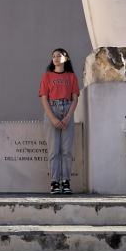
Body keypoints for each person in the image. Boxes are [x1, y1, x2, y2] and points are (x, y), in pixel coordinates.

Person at [39, 48, 79, 195]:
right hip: (52, 109)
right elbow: (43, 98)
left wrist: (68, 117)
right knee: (54, 150)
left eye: (59, 55)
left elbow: (75, 98)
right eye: (54, 56)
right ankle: (54, 183)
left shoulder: (71, 76)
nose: (56, 58)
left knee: (67, 150)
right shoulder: (47, 76)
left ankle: (66, 182)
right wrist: (53, 118)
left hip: (67, 109)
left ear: (66, 58)